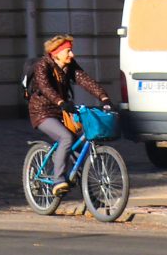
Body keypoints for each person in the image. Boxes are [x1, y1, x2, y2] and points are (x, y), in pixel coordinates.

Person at [27, 34, 110, 196]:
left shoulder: (70, 66)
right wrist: (60, 102)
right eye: (68, 51)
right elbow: (45, 88)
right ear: (56, 53)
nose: (72, 55)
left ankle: (91, 195)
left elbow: (86, 80)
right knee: (66, 138)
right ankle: (58, 180)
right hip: (42, 111)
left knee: (79, 147)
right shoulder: (43, 65)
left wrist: (104, 97)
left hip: (63, 110)